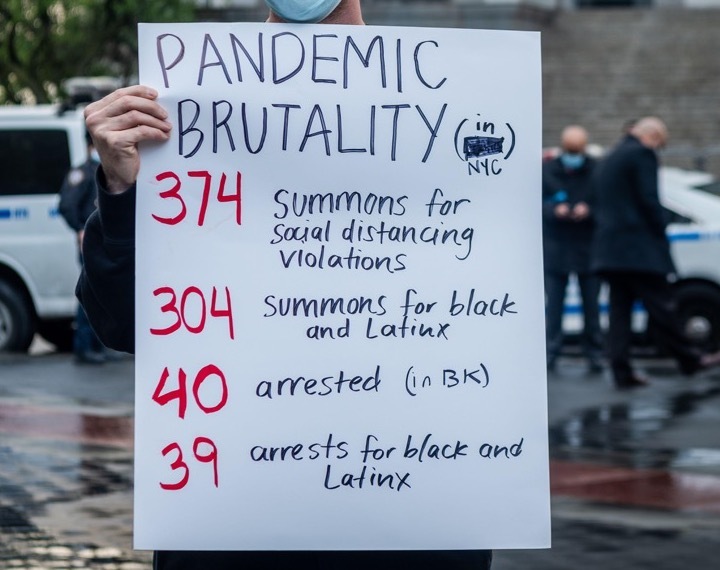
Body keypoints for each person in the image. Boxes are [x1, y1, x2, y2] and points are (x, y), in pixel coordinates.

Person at [76, 1, 492, 568]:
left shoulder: (459, 111)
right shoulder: (182, 114)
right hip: (235, 529)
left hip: (407, 524)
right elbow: (120, 324)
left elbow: (489, 320)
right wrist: (121, 189)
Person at [590, 117, 720, 389]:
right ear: (652, 136)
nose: (658, 149)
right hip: (639, 250)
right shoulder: (641, 154)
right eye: (660, 144)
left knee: (619, 313)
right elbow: (649, 199)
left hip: (609, 250)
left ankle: (621, 370)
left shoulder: (609, 158)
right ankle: (690, 359)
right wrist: (660, 230)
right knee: (663, 305)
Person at [542, 126, 603, 373]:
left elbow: (606, 204)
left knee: (592, 308)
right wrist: (553, 211)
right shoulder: (548, 171)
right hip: (556, 249)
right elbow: (536, 203)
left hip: (588, 250)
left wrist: (589, 210)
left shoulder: (597, 171)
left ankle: (594, 353)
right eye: (570, 151)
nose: (573, 155)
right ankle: (550, 352)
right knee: (554, 308)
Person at [58, 132, 106, 364]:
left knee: (103, 295)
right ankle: (84, 346)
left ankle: (98, 346)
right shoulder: (83, 173)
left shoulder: (107, 171)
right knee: (90, 293)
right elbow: (66, 205)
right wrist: (79, 229)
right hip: (90, 242)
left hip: (105, 242)